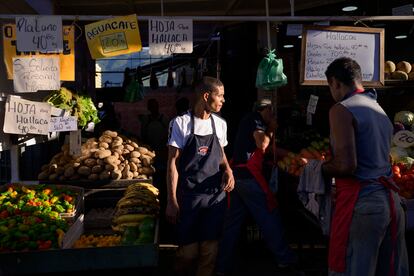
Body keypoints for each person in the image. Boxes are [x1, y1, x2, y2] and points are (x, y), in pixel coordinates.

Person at [322, 57, 409, 276]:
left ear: (335, 83)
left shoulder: (341, 109)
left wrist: (317, 168)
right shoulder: (378, 107)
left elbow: (347, 165)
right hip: (392, 204)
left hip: (364, 206)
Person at [216, 99, 297, 275]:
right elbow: (263, 144)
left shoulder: (252, 122)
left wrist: (292, 155)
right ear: (266, 109)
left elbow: (266, 149)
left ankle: (221, 266)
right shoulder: (254, 119)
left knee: (232, 224)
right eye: (271, 112)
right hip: (248, 179)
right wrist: (273, 127)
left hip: (239, 179)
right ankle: (284, 259)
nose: (273, 116)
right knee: (269, 216)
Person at [166, 76, 234, 276]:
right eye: (219, 95)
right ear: (206, 96)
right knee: (188, 253)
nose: (223, 100)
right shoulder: (181, 124)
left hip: (214, 198)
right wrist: (172, 200)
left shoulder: (220, 124)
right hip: (189, 199)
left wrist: (228, 170)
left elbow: (220, 155)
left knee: (209, 252)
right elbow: (172, 163)